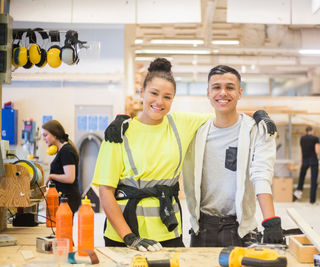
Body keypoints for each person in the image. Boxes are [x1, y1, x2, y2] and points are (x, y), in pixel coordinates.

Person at [92, 58, 215, 251]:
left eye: (167, 97)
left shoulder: (181, 123)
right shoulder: (118, 133)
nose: (159, 101)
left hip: (168, 231)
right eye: (154, 93)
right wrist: (129, 237)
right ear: (141, 93)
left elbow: (226, 117)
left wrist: (258, 114)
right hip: (124, 235)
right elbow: (105, 191)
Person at [182, 65, 283, 247]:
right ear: (208, 93)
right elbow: (159, 118)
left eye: (230, 87)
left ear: (239, 92)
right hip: (202, 229)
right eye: (216, 87)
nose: (223, 93)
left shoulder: (256, 131)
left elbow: (261, 174)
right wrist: (124, 119)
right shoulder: (196, 132)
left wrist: (270, 221)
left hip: (241, 230)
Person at [42, 120, 81, 213]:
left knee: (64, 226)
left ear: (55, 135)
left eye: (45, 135)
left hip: (68, 198)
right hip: (64, 197)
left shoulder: (66, 151)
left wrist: (52, 176)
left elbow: (70, 178)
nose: (44, 138)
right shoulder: (62, 150)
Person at [293, 126, 320, 204]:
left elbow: (301, 151)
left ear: (306, 131)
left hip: (304, 160)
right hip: (313, 160)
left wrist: (301, 162)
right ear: (312, 130)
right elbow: (317, 151)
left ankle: (297, 196)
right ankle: (312, 200)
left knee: (301, 178)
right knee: (313, 180)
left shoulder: (302, 139)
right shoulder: (315, 138)